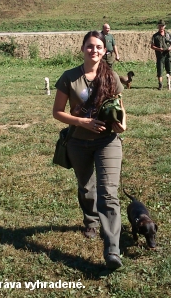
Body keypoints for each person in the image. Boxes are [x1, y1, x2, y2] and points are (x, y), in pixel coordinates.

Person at [52, 30, 127, 270]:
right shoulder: (69, 77)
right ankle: (91, 221)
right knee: (86, 187)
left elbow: (120, 108)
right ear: (82, 48)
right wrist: (83, 122)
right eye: (90, 46)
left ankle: (113, 250)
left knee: (109, 194)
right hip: (78, 142)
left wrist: (122, 124)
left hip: (107, 141)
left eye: (98, 47)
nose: (94, 50)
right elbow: (58, 112)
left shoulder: (111, 76)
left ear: (104, 51)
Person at [150, 20, 171, 90]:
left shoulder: (169, 34)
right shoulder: (155, 36)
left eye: (162, 26)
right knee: (160, 70)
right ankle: (160, 84)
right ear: (158, 26)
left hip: (168, 54)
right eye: (160, 26)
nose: (161, 27)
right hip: (160, 55)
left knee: (169, 70)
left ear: (164, 26)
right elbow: (152, 46)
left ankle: (169, 84)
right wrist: (158, 49)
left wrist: (170, 47)